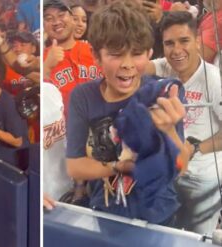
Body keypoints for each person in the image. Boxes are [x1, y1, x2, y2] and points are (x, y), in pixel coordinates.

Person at [66, 0, 189, 225]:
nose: (127, 64)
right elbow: (75, 166)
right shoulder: (82, 97)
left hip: (159, 214)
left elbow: (181, 166)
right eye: (116, 54)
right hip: (106, 212)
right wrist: (117, 167)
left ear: (150, 53)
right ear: (95, 55)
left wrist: (169, 130)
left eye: (137, 53)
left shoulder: (163, 94)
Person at [146, 11, 222, 234]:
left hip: (202, 180)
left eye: (184, 41)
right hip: (170, 175)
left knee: (195, 238)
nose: (176, 50)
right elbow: (139, 64)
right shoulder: (166, 66)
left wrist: (194, 147)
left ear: (198, 41)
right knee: (165, 234)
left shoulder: (214, 81)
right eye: (169, 43)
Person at [43, 0, 101, 117]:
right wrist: (46, 69)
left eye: (61, 15)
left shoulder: (94, 50)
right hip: (65, 131)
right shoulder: (42, 60)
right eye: (49, 18)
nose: (56, 22)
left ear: (71, 19)